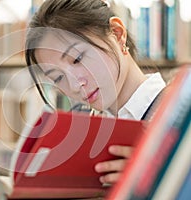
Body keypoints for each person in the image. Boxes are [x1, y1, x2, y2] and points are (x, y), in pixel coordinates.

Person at [24, 0, 166, 185]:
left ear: (117, 33)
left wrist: (158, 176)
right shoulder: (85, 139)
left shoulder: (178, 114)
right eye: (58, 78)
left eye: (77, 58)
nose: (75, 86)